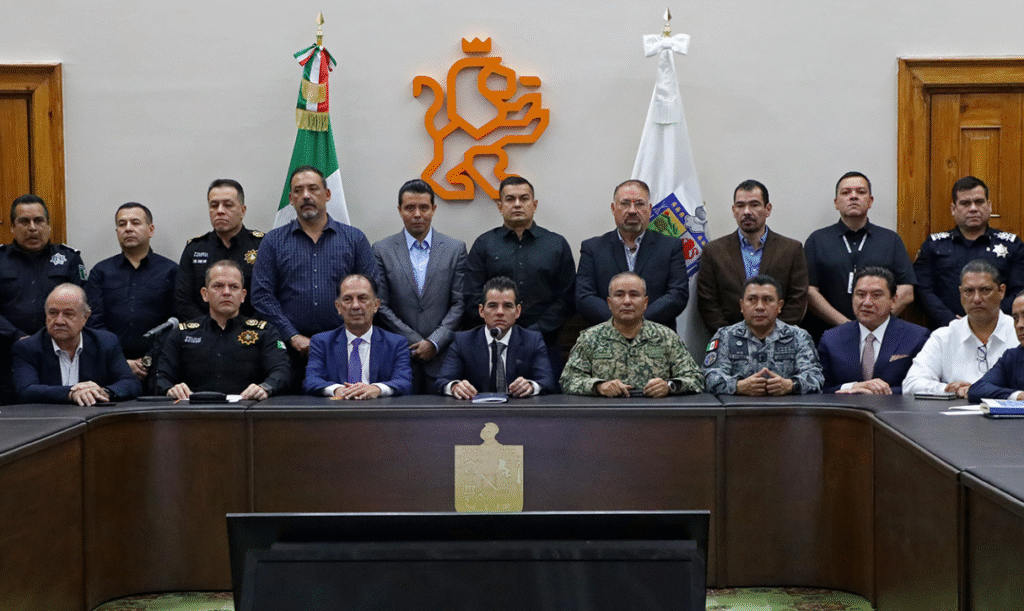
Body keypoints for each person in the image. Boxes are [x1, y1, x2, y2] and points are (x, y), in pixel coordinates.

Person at [251, 165, 382, 387]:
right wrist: (292, 336)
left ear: (327, 194)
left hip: (343, 348)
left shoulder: (354, 239)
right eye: (298, 191)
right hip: (288, 351)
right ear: (291, 199)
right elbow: (261, 295)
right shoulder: (273, 242)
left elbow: (373, 291)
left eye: (313, 189)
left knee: (342, 406)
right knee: (287, 408)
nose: (306, 196)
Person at [463, 176, 575, 370]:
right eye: (510, 199)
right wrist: (502, 329)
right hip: (494, 343)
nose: (517, 204)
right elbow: (471, 295)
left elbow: (567, 297)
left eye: (524, 198)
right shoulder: (484, 244)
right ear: (500, 206)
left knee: (547, 389)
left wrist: (535, 332)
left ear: (534, 204)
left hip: (544, 342)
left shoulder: (556, 244)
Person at [373, 179, 467, 393]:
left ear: (433, 209)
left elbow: (460, 303)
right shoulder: (381, 250)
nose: (417, 214)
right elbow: (380, 304)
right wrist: (415, 341)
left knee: (443, 414)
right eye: (409, 208)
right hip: (399, 357)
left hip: (443, 358)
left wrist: (434, 342)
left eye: (423, 207)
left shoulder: (455, 249)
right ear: (399, 210)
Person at [155, 260, 290, 400]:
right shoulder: (182, 333)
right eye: (218, 286)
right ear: (205, 294)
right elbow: (160, 376)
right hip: (195, 409)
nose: (226, 292)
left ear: (243, 295)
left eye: (234, 287)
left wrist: (266, 387)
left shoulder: (264, 332)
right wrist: (170, 389)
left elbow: (282, 371)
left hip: (247, 408)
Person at [803, 172, 916, 336]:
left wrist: (877, 322)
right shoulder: (817, 240)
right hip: (828, 334)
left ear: (870, 201)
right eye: (846, 192)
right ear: (836, 203)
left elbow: (907, 291)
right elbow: (809, 291)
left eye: (861, 192)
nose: (853, 196)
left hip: (880, 335)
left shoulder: (890, 240)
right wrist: (846, 326)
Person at [0, 195, 87, 403]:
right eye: (24, 221)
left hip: (56, 354)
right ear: (12, 227)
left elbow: (83, 306)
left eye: (38, 221)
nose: (32, 228)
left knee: (55, 410)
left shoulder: (69, 259)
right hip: (5, 353)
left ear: (48, 225)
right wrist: (17, 336)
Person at [560, 272, 702, 397]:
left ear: (645, 302)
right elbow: (568, 380)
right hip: (606, 415)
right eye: (619, 295)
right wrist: (599, 387)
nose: (627, 301)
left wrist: (669, 386)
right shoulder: (590, 338)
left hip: (655, 414)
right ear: (609, 303)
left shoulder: (666, 337)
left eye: (634, 295)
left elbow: (695, 378)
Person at [576, 179, 688, 331]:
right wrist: (619, 323)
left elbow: (678, 294)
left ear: (650, 209)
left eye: (640, 204)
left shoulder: (670, 247)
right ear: (613, 208)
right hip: (606, 337)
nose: (632, 210)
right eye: (625, 203)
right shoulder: (593, 248)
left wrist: (639, 323)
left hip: (656, 337)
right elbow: (584, 296)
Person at [697, 179, 808, 332]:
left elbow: (797, 300)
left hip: (779, 339)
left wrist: (772, 335)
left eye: (754, 205)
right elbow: (708, 303)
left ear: (768, 209)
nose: (747, 212)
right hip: (729, 340)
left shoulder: (791, 250)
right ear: (734, 210)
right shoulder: (714, 251)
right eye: (740, 205)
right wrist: (732, 337)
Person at [914, 176, 1024, 328]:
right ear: (953, 209)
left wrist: (994, 319)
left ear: (989, 206)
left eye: (979, 202)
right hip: (946, 330)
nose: (973, 208)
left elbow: (1019, 290)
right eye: (965, 203)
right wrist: (952, 322)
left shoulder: (1012, 245)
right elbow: (922, 290)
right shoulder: (934, 245)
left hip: (1000, 329)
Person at [85, 202, 178, 381]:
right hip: (111, 365)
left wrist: (149, 359)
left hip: (161, 364)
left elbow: (176, 321)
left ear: (151, 230)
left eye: (135, 223)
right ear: (117, 232)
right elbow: (93, 320)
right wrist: (120, 360)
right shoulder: (101, 272)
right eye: (122, 224)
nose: (128, 228)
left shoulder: (171, 271)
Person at [12, 284, 141, 405]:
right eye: (53, 313)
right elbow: (26, 390)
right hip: (48, 418)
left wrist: (102, 392)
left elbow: (131, 383)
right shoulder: (27, 348)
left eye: (68, 314)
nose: (59, 321)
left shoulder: (105, 342)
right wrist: (72, 393)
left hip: (93, 417)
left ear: (85, 317)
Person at [905, 260, 1017, 398]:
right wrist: (951, 389)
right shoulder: (944, 337)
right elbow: (911, 384)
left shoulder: (1018, 333)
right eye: (969, 291)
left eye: (985, 290)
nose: (976, 299)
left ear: (1001, 291)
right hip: (955, 410)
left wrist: (977, 390)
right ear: (960, 293)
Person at [435, 276, 555, 399]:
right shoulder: (463, 341)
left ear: (518, 311)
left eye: (507, 306)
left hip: (517, 408)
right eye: (492, 305)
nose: (500, 312)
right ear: (481, 311)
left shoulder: (532, 340)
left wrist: (531, 386)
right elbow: (442, 381)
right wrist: (455, 386)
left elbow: (547, 381)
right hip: (476, 409)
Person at [704, 275, 824, 395]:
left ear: (779, 306)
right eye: (752, 300)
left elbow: (816, 377)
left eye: (767, 300)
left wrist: (791, 385)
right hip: (740, 406)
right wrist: (738, 386)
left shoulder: (798, 336)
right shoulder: (725, 336)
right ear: (742, 306)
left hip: (786, 405)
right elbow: (710, 377)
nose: (760, 307)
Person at [818, 267, 930, 394]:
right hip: (844, 406)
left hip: (895, 406)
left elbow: (923, 386)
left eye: (876, 295)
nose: (867, 302)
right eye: (861, 295)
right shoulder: (831, 339)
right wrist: (852, 387)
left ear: (893, 300)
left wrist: (877, 392)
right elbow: (820, 388)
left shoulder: (917, 337)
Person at [304, 274, 412, 399]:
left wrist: (376, 389)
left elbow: (404, 382)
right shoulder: (321, 342)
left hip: (379, 409)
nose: (355, 306)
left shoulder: (396, 343)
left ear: (376, 305)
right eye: (348, 299)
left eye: (362, 298)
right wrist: (338, 390)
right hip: (337, 408)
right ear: (338, 307)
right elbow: (311, 380)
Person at [175, 179, 263, 320]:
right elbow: (183, 301)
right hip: (203, 330)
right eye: (214, 205)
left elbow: (270, 297)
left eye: (228, 205)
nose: (220, 211)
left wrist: (246, 328)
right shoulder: (195, 249)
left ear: (242, 211)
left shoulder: (262, 246)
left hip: (253, 330)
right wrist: (210, 328)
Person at [968, 290, 1024, 401]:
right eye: (1015, 318)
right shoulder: (1012, 357)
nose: (1019, 325)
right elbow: (977, 389)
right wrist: (1018, 396)